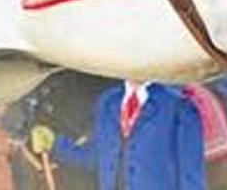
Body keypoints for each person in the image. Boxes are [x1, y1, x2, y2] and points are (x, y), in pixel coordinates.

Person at [29, 80, 206, 190]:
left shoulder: (177, 106)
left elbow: (191, 177)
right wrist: (55, 144)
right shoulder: (107, 102)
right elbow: (98, 157)